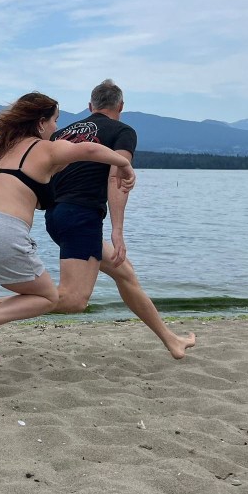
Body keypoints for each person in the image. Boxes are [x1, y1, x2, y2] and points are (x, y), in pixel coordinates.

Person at [0, 92, 135, 391]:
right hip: (1, 230)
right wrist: (124, 164)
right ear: (40, 122)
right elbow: (89, 149)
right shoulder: (46, 148)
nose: (56, 128)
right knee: (48, 297)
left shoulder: (2, 149)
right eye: (55, 120)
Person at [46, 79, 196, 358]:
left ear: (90, 106)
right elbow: (117, 177)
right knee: (73, 300)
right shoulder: (122, 131)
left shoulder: (62, 132)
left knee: (124, 273)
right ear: (121, 106)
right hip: (81, 216)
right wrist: (117, 230)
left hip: (57, 216)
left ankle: (171, 340)